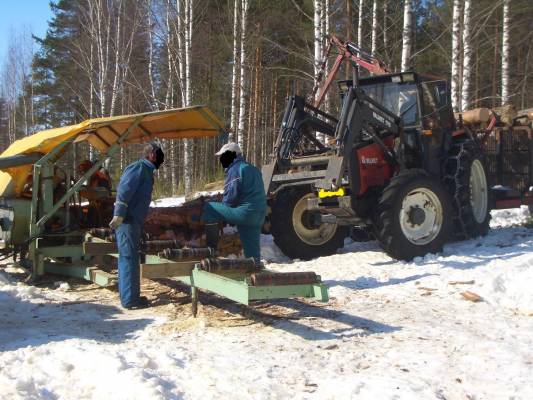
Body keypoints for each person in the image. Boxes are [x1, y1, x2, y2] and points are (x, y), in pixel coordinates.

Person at [109, 142, 165, 309]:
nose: (162, 159)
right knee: (128, 258)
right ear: (153, 155)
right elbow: (124, 190)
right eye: (160, 155)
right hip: (126, 221)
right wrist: (119, 213)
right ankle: (130, 300)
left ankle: (131, 297)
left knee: (131, 258)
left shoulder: (147, 171)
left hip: (134, 221)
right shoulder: (138, 168)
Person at [202, 142, 266, 262]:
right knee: (252, 256)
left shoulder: (235, 169)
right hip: (259, 215)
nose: (220, 160)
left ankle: (210, 253)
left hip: (245, 213)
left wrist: (220, 209)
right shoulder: (253, 169)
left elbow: (230, 199)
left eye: (222, 156)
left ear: (231, 155)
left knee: (209, 208)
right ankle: (255, 270)